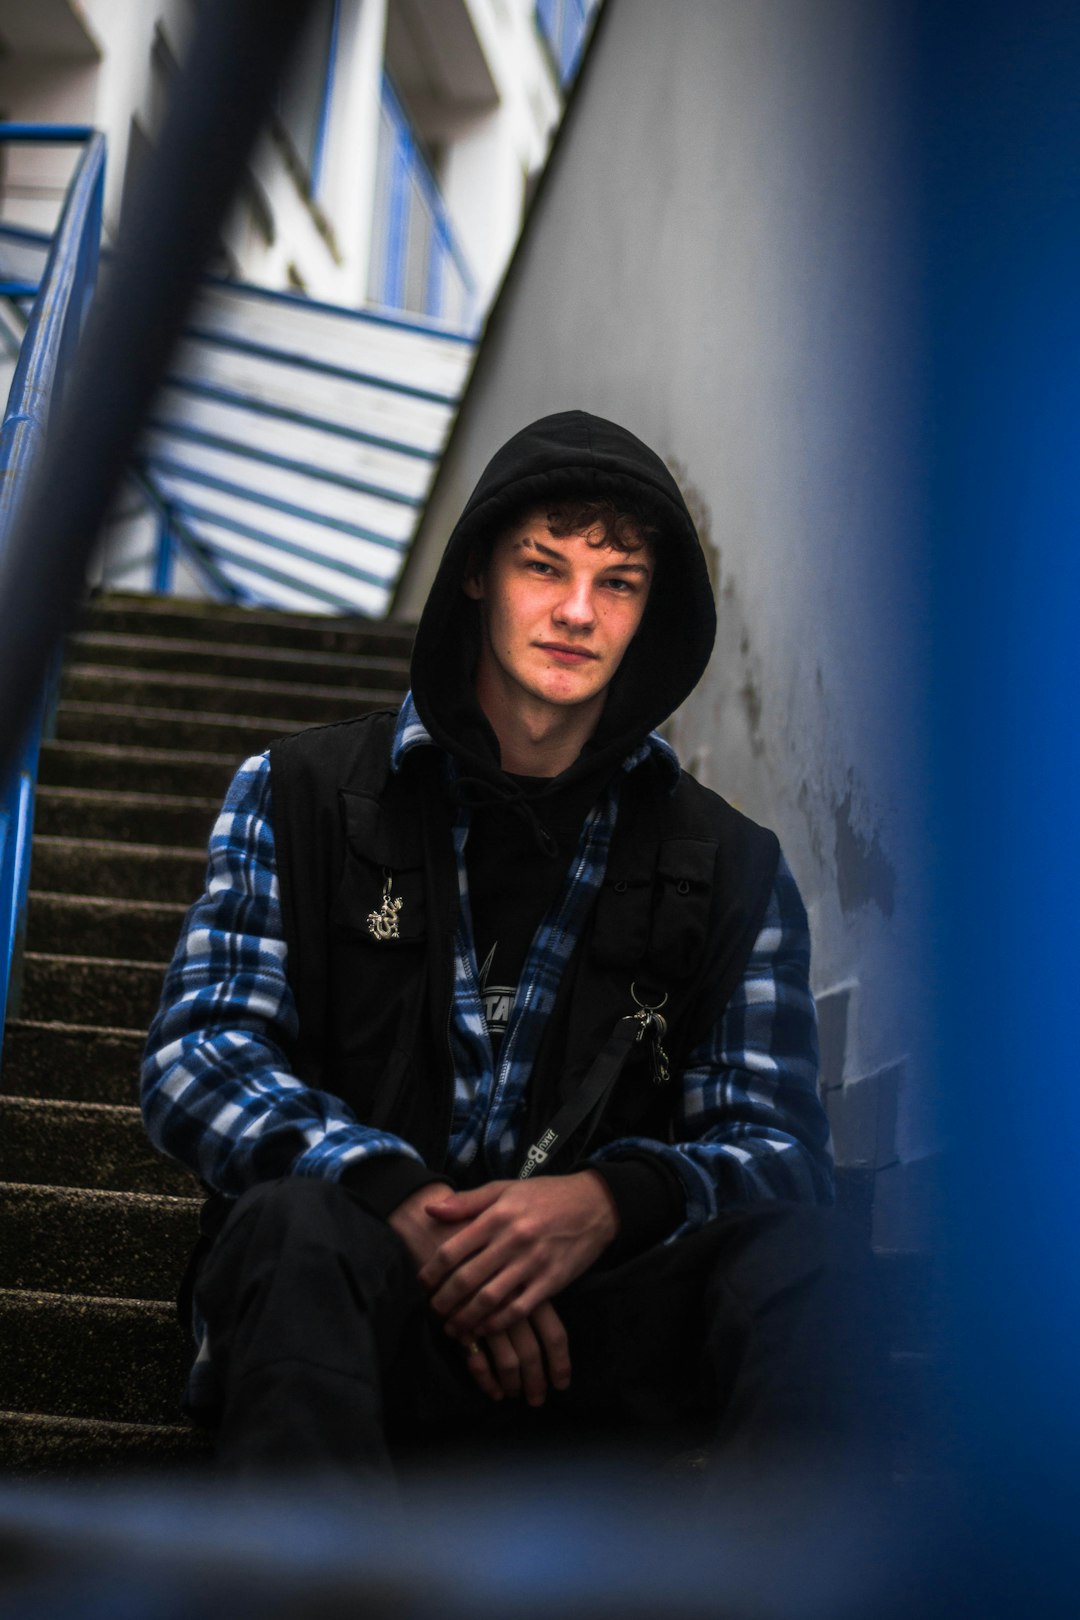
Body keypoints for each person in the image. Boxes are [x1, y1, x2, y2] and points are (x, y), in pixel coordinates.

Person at [141, 410, 875, 1483]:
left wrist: (607, 1204)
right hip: (349, 1321)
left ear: (649, 610)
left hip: (588, 1343)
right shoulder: (294, 792)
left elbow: (780, 1154)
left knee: (811, 1264)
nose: (578, 611)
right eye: (545, 566)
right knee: (292, 1228)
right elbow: (198, 1056)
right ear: (480, 572)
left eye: (618, 582)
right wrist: (399, 1199)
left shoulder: (734, 864)